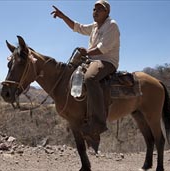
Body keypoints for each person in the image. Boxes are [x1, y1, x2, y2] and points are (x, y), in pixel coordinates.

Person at [51, 0, 120, 136]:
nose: (95, 11)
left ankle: (98, 122)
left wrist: (87, 52)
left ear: (107, 12)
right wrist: (63, 16)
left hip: (107, 61)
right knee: (71, 71)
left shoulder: (112, 25)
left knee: (90, 78)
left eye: (99, 9)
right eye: (94, 9)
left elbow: (103, 48)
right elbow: (78, 27)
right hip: (93, 60)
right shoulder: (95, 26)